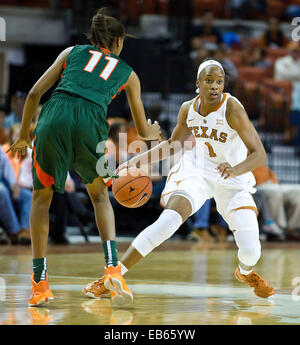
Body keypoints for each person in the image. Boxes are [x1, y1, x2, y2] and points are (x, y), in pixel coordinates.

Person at [83, 59, 275, 301]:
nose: (215, 86)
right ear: (198, 83)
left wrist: (236, 170)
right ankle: (113, 276)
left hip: (232, 177)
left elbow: (259, 154)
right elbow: (173, 145)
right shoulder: (188, 109)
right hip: (198, 171)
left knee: (250, 250)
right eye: (209, 81)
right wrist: (136, 162)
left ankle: (246, 272)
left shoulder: (232, 108)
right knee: (168, 222)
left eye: (219, 81)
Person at [7, 8, 161, 307]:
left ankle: (40, 283)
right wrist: (153, 131)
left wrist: (25, 135)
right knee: (100, 195)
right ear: (117, 41)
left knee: (42, 198)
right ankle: (113, 266)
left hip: (55, 117)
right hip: (92, 124)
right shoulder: (128, 73)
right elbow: (142, 128)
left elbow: (34, 94)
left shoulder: (71, 52)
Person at [252, 164, 300, 241]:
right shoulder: (238, 156)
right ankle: (277, 229)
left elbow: (271, 175)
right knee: (275, 191)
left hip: (273, 184)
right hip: (257, 185)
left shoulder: (257, 156)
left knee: (298, 191)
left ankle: (293, 229)